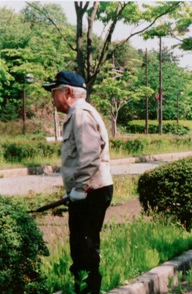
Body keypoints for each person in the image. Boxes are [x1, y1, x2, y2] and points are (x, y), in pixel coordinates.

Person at [43, 71, 114, 293]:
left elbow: (91, 154)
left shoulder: (81, 114)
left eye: (54, 92)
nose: (52, 98)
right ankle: (85, 289)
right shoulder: (78, 113)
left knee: (84, 247)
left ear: (68, 92)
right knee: (83, 246)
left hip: (91, 190)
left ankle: (88, 291)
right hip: (88, 189)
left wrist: (81, 188)